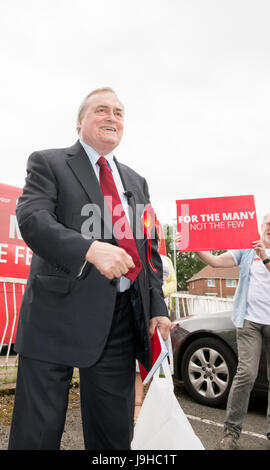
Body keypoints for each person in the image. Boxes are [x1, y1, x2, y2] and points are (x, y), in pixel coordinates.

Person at [8, 87, 171, 450]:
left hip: (119, 324)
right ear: (80, 121)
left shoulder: (136, 181)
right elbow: (32, 218)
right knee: (37, 434)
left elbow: (150, 250)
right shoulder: (48, 162)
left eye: (118, 112)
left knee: (114, 437)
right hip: (55, 318)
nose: (112, 117)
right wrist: (89, 248)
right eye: (101, 110)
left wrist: (157, 307)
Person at [193, 212, 270, 450]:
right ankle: (230, 433)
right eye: (268, 222)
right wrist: (194, 246)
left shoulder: (260, 253)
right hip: (249, 321)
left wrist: (265, 257)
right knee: (246, 374)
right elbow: (216, 261)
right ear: (260, 226)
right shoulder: (247, 249)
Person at [134, 235, 176, 423]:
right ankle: (137, 403)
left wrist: (159, 296)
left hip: (161, 314)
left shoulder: (166, 261)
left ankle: (160, 405)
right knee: (139, 365)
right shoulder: (141, 254)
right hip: (144, 314)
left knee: (161, 361)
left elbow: (173, 283)